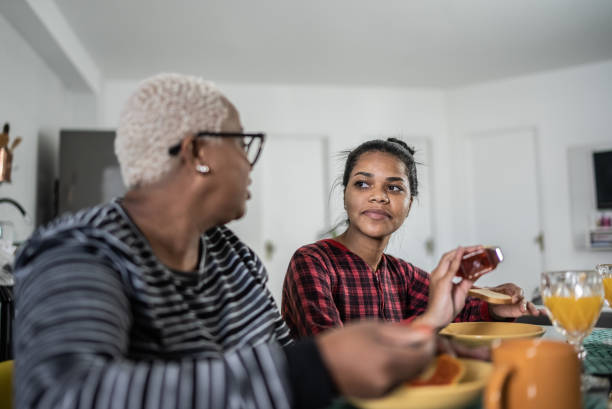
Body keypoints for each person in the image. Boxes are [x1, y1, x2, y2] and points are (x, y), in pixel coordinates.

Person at [12, 74, 441, 409]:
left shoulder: (234, 257)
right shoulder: (80, 251)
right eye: (242, 144)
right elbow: (61, 397)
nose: (249, 165)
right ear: (198, 153)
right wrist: (315, 367)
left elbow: (284, 356)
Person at [281, 138, 541, 338]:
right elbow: (330, 350)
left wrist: (495, 307)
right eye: (362, 184)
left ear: (409, 203)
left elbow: (453, 311)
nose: (379, 196)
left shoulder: (402, 274)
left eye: (393, 188)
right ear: (345, 194)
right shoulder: (312, 262)